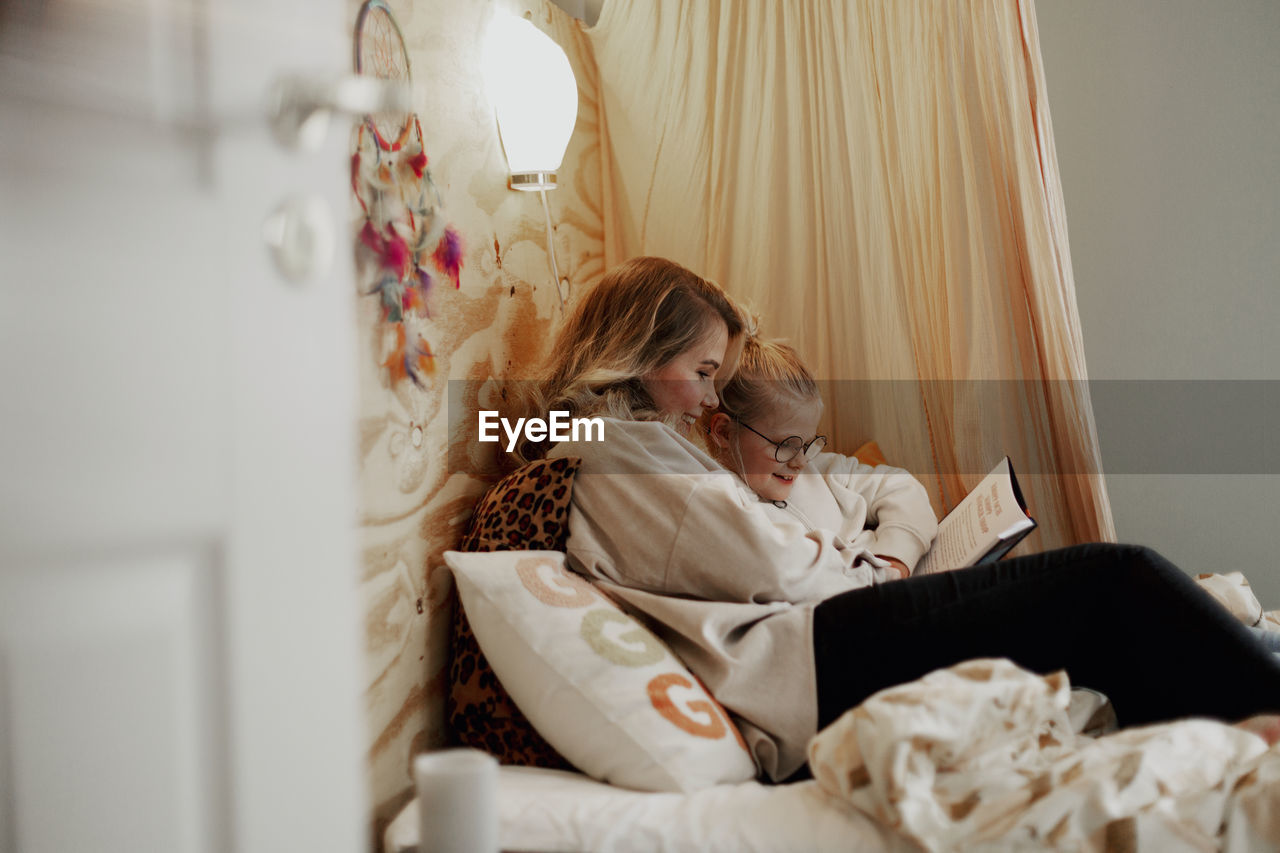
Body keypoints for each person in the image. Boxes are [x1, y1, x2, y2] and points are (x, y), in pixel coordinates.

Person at [523, 256, 1280, 782]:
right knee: (1109, 581)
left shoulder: (624, 447)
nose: (708, 400)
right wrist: (865, 566)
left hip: (819, 635)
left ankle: (1229, 751)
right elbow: (772, 562)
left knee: (1107, 612)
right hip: (812, 655)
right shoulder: (610, 450)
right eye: (701, 374)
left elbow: (756, 546)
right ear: (637, 352)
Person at [704, 334, 935, 583]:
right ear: (724, 432)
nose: (800, 462)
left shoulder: (822, 470)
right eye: (786, 445)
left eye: (806, 444)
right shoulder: (726, 510)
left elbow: (902, 486)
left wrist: (897, 558)